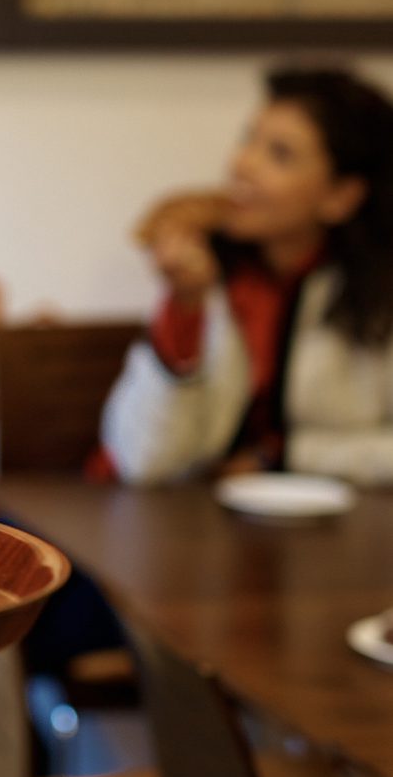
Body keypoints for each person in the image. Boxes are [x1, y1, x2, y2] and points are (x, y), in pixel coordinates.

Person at [101, 66, 393, 484]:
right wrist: (185, 307)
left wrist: (283, 457)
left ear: (341, 196)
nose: (242, 164)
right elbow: (143, 460)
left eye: (279, 154)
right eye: (247, 139)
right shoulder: (208, 274)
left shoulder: (376, 290)